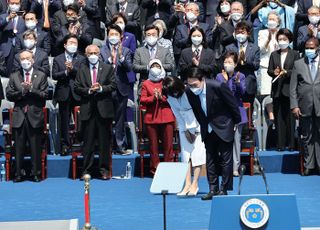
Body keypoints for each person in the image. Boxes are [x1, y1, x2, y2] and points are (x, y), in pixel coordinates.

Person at [186, 67, 241, 199]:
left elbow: (233, 105)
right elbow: (196, 110)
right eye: (190, 85)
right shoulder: (189, 91)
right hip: (208, 128)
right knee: (210, 159)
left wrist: (236, 123)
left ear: (202, 80)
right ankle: (213, 189)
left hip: (224, 125)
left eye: (195, 85)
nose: (193, 88)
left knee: (226, 159)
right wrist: (203, 125)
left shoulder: (218, 86)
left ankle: (224, 188)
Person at [74, 44, 116, 179]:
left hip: (104, 110)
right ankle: (87, 170)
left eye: (95, 53)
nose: (93, 55)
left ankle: (104, 170)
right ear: (86, 55)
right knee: (88, 143)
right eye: (90, 53)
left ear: (99, 54)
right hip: (88, 110)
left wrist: (101, 88)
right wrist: (88, 90)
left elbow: (113, 85)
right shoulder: (81, 70)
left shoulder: (108, 68)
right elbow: (77, 88)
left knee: (104, 142)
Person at [6, 50, 48, 182]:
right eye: (22, 58)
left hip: (34, 116)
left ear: (33, 60)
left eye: (27, 58)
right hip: (19, 116)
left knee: (35, 146)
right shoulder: (14, 76)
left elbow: (44, 96)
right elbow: (9, 95)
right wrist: (22, 92)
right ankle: (18, 173)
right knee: (19, 146)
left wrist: (31, 90)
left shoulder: (41, 75)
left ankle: (35, 173)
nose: (25, 61)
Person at [162, 76, 206, 196]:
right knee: (185, 156)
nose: (174, 94)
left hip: (198, 125)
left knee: (198, 154)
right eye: (171, 92)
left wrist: (195, 132)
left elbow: (199, 111)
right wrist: (185, 130)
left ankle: (195, 184)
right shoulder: (170, 97)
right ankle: (187, 184)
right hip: (184, 126)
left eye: (175, 90)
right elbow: (177, 114)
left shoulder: (189, 93)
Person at [100, 24, 132, 155]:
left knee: (120, 120)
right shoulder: (102, 50)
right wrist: (109, 59)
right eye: (111, 34)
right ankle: (107, 147)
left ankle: (120, 146)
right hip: (106, 89)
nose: (113, 37)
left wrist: (121, 57)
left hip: (121, 89)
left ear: (121, 37)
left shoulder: (125, 51)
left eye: (116, 35)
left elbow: (129, 67)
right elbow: (100, 67)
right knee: (106, 120)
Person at [139, 59, 175, 175]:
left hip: (167, 117)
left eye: (157, 66)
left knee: (168, 146)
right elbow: (142, 100)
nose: (155, 68)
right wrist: (153, 98)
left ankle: (168, 169)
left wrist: (162, 98)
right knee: (153, 147)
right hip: (152, 118)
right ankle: (155, 169)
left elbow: (173, 98)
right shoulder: (146, 83)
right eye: (153, 66)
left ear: (161, 68)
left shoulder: (167, 81)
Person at [290, 37, 320, 176]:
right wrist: (294, 106)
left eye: (311, 47)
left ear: (318, 48)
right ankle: (309, 164)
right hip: (304, 105)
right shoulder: (298, 63)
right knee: (307, 136)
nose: (309, 50)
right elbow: (293, 87)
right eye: (307, 47)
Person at [52, 34, 85, 155]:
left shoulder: (81, 58)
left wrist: (73, 70)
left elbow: (83, 74)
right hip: (63, 93)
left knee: (80, 120)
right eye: (71, 43)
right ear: (65, 45)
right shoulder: (58, 58)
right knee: (64, 121)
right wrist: (66, 72)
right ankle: (65, 145)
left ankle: (79, 143)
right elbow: (54, 75)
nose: (73, 45)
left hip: (77, 93)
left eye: (75, 43)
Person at [215, 52, 247, 177]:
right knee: (223, 141)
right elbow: (221, 93)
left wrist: (237, 82)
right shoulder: (219, 76)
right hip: (223, 113)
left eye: (230, 62)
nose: (227, 65)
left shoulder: (241, 76)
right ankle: (224, 167)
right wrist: (226, 80)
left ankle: (235, 168)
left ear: (235, 64)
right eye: (225, 62)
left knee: (236, 141)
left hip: (237, 112)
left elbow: (242, 92)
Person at [268, 28, 299, 151]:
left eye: (284, 39)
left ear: (289, 40)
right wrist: (274, 72)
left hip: (289, 89)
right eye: (280, 39)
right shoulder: (274, 54)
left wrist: (286, 72)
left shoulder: (295, 54)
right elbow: (269, 70)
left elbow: (297, 70)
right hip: (277, 90)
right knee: (279, 118)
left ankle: (291, 144)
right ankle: (280, 145)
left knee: (290, 119)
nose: (282, 41)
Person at [226, 21, 260, 110]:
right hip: (233, 83)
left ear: (248, 34)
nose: (240, 35)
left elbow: (256, 65)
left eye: (242, 32)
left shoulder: (255, 48)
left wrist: (246, 61)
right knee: (234, 109)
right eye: (237, 32)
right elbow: (226, 65)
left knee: (248, 110)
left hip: (248, 83)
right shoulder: (229, 48)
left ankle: (248, 123)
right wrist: (235, 62)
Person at [133, 24, 175, 96]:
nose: (151, 37)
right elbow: (135, 67)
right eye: (148, 35)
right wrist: (147, 67)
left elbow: (171, 66)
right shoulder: (139, 51)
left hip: (161, 86)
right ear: (145, 36)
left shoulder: (165, 50)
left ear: (158, 36)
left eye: (153, 34)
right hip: (144, 87)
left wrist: (158, 66)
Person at [257, 11, 281, 96]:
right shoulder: (262, 32)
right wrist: (268, 40)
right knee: (266, 92)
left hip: (280, 67)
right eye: (269, 19)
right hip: (266, 66)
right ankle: (269, 109)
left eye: (273, 19)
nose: (271, 21)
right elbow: (261, 50)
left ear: (278, 22)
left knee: (279, 92)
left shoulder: (282, 33)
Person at [0, 0, 26, 77]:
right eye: (12, 3)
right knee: (6, 73)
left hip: (19, 49)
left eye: (17, 3)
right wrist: (8, 18)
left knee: (17, 74)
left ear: (20, 4)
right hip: (6, 49)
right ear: (8, 4)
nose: (14, 5)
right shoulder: (3, 16)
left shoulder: (24, 18)